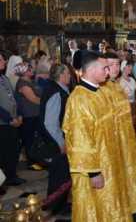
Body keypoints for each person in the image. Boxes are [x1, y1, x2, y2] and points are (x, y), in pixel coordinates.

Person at [63, 52, 131, 221]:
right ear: (92, 70)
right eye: (105, 68)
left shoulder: (100, 92)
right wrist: (94, 173)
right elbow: (80, 139)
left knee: (110, 206)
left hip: (109, 162)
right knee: (94, 209)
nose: (108, 72)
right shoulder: (79, 99)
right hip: (94, 169)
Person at [100, 53, 136, 221]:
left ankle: (132, 213)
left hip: (127, 144)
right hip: (114, 149)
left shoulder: (116, 86)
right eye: (112, 64)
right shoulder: (101, 91)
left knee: (130, 183)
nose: (115, 68)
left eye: (117, 64)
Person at [40, 64, 71, 213]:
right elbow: (50, 122)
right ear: (61, 75)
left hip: (61, 140)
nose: (70, 76)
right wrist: (61, 142)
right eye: (67, 73)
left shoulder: (60, 90)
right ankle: (56, 206)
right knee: (59, 174)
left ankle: (60, 203)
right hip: (57, 142)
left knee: (63, 173)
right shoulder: (56, 92)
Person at [0, 51, 25, 187]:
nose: (4, 62)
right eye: (2, 60)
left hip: (14, 121)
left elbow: (14, 98)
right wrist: (9, 119)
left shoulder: (5, 78)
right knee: (4, 152)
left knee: (13, 149)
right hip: (3, 123)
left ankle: (11, 175)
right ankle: (4, 179)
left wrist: (19, 114)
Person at [14, 62, 42, 168]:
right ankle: (31, 162)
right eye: (29, 68)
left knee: (34, 139)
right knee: (29, 139)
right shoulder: (22, 84)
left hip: (35, 114)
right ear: (24, 71)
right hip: (28, 115)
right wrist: (46, 102)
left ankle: (36, 159)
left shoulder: (30, 81)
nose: (32, 69)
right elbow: (33, 99)